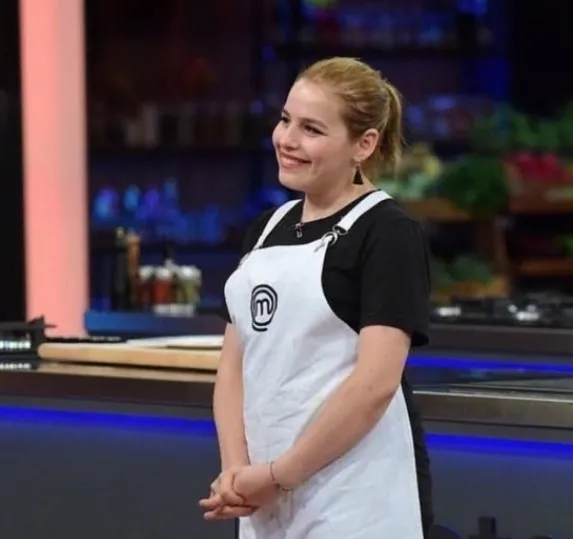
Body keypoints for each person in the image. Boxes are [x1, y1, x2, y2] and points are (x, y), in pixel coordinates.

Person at [199, 56, 433, 538]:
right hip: (262, 497)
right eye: (286, 120)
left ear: (364, 145)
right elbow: (234, 367)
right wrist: (236, 473)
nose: (287, 139)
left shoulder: (387, 232)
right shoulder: (266, 228)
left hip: (354, 498)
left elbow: (374, 385)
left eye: (311, 129)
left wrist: (280, 475)